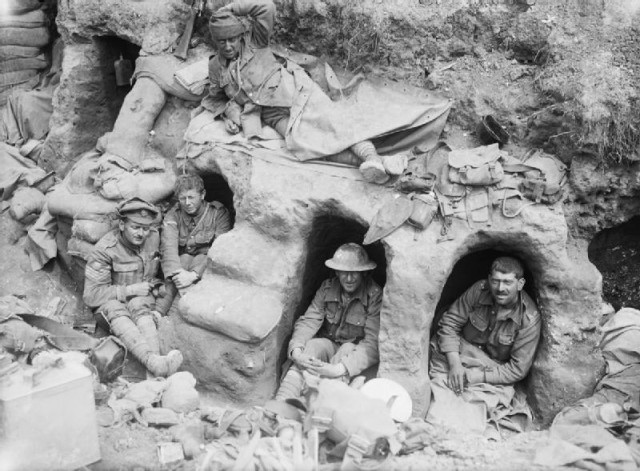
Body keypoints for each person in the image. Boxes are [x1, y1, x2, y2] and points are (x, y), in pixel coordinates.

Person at [202, 0, 452, 185]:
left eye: (231, 39)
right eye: (222, 41)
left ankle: (371, 155)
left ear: (240, 36)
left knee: (333, 123)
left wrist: (232, 9)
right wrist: (229, 113)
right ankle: (375, 163)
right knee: (303, 146)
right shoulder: (215, 66)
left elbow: (266, 7)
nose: (227, 46)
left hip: (294, 91)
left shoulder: (256, 40)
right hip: (269, 114)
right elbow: (215, 98)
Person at [428, 256, 541, 430]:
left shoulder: (529, 318)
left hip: (491, 369)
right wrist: (455, 364)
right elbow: (450, 323)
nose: (500, 288)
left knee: (478, 403)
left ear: (520, 283)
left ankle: (457, 429)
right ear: (489, 279)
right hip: (460, 351)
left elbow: (517, 369)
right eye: (495, 281)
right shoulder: (478, 290)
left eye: (507, 282)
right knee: (440, 383)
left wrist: (474, 377)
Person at [83, 197, 183, 377]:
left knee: (138, 304)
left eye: (145, 228)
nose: (141, 233)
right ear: (121, 225)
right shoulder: (105, 250)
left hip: (142, 303)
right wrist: (129, 290)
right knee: (116, 308)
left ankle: (155, 370)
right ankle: (153, 362)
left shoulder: (154, 238)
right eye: (135, 227)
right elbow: (91, 296)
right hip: (111, 308)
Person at [275, 243, 382, 400]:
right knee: (313, 346)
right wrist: (296, 351)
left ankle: (315, 404)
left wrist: (339, 369)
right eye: (345, 272)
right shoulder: (327, 288)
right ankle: (282, 404)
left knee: (346, 348)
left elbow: (372, 343)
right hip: (329, 346)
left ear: (364, 273)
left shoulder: (374, 295)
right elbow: (309, 321)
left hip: (352, 356)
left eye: (355, 273)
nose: (349, 278)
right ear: (337, 272)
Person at [156, 174, 231, 315]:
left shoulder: (218, 214)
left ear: (202, 195)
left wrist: (194, 275)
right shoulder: (174, 214)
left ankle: (172, 315)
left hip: (205, 267)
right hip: (180, 267)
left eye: (191, 197)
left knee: (198, 259)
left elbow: (220, 250)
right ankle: (158, 312)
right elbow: (169, 247)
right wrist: (177, 274)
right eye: (182, 198)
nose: (187, 203)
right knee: (183, 259)